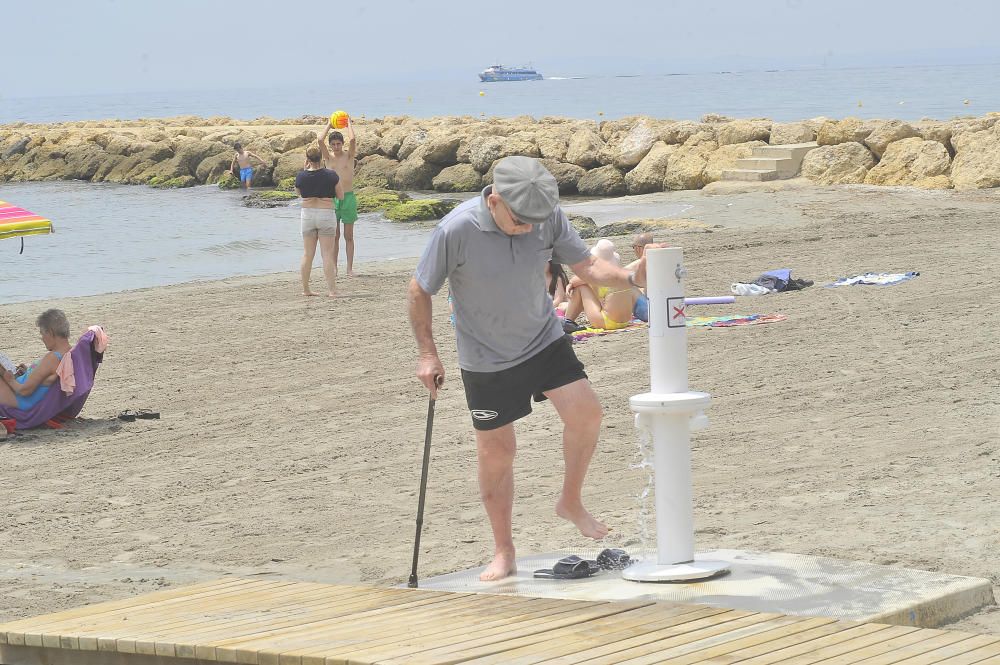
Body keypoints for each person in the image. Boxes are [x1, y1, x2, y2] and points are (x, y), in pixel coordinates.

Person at [407, 156, 655, 582]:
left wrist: (633, 279)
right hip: (485, 357)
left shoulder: (546, 216)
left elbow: (589, 267)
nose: (528, 227)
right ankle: (504, 550)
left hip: (544, 339)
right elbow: (419, 289)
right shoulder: (456, 229)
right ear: (495, 200)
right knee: (498, 453)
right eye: (520, 219)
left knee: (587, 413)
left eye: (534, 221)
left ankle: (570, 501)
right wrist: (428, 353)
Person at [295, 146, 344, 297]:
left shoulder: (301, 176)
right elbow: (340, 196)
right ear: (322, 158)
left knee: (307, 254)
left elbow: (299, 194)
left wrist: (305, 170)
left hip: (308, 215)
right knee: (327, 254)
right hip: (326, 213)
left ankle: (306, 289)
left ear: (307, 160)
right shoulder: (331, 175)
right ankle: (332, 290)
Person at [0, 309, 72, 410]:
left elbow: (24, 391)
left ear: (50, 332)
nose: (42, 338)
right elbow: (45, 379)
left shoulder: (52, 358)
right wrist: (29, 371)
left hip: (20, 400)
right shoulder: (68, 352)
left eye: (42, 334)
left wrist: (10, 380)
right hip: (23, 394)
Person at [563, 239, 638, 330]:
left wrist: (570, 284)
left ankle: (567, 321)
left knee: (581, 287)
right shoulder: (621, 274)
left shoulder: (599, 274)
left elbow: (574, 281)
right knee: (587, 285)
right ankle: (568, 322)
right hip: (626, 321)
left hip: (607, 322)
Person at [320, 119, 359, 276]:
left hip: (348, 198)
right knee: (334, 236)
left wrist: (348, 122)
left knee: (348, 236)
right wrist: (330, 123)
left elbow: (353, 140)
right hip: (333, 198)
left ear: (342, 144)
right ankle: (334, 268)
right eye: (333, 144)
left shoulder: (349, 157)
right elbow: (319, 140)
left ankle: (349, 269)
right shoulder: (328, 158)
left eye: (338, 144)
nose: (336, 147)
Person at [627, 232, 654, 322]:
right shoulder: (660, 259)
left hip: (649, 313)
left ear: (638, 248)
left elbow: (617, 276)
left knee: (626, 286)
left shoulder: (640, 263)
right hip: (666, 309)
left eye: (633, 247)